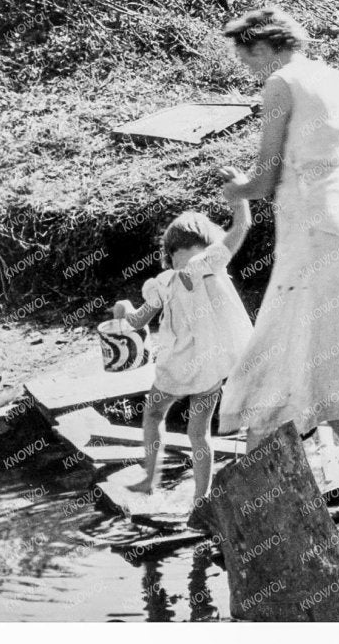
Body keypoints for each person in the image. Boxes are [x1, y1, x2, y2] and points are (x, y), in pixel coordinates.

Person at [217, 6, 339, 512]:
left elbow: (264, 176)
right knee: (307, 357)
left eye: (245, 56)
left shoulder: (280, 84)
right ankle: (280, 492)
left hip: (310, 240)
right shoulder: (336, 78)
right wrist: (332, 212)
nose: (247, 68)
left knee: (287, 359)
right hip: (338, 234)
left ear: (262, 46)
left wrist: (233, 189)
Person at [109, 200, 255, 503]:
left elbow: (138, 321)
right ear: (207, 244)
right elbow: (240, 227)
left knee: (153, 414)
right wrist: (240, 201)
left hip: (175, 367)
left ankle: (149, 479)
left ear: (170, 253)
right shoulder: (210, 265)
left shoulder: (165, 281)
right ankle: (202, 497)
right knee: (198, 433)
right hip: (210, 369)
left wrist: (123, 308)